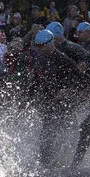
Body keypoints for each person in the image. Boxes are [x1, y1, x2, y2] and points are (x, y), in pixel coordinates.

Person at [28, 30, 82, 168]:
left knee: (54, 134)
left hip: (64, 105)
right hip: (48, 103)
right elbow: (36, 81)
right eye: (37, 46)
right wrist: (28, 98)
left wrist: (70, 91)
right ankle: (48, 164)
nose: (38, 49)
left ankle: (60, 164)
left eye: (41, 46)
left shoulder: (66, 62)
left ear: (50, 44)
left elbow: (84, 83)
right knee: (47, 134)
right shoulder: (40, 59)